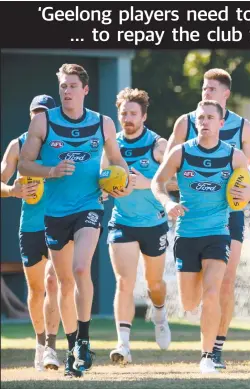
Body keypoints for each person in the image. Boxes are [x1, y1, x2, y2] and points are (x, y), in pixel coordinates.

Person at [18, 63, 131, 377]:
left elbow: (118, 163)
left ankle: (84, 338)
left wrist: (121, 184)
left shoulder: (103, 123)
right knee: (65, 284)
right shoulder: (43, 121)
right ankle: (72, 348)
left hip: (89, 206)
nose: (66, 91)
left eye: (71, 86)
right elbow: (25, 165)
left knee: (81, 268)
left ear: (85, 90)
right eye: (62, 86)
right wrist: (51, 171)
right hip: (55, 213)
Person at [151, 100, 250, 374]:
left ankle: (207, 356)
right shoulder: (181, 152)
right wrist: (167, 203)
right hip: (187, 235)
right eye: (200, 117)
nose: (204, 121)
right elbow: (157, 182)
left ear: (221, 123)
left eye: (210, 117)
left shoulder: (233, 156)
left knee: (213, 293)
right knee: (190, 303)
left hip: (218, 234)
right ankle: (191, 313)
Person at [104, 88, 172, 365]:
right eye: (124, 113)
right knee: (124, 282)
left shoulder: (158, 145)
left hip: (154, 223)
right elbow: (102, 184)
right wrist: (108, 191)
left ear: (144, 116)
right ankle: (123, 345)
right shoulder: (112, 145)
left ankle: (160, 312)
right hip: (122, 223)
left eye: (133, 113)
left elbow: (179, 181)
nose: (128, 118)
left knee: (154, 283)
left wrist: (148, 183)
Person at [1, 95, 62, 371]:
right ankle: (39, 344)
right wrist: (12, 190)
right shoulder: (18, 144)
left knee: (53, 283)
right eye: (35, 112)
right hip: (30, 227)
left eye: (44, 113)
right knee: (37, 290)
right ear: (30, 116)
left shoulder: (63, 144)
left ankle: (51, 346)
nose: (39, 117)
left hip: (60, 222)